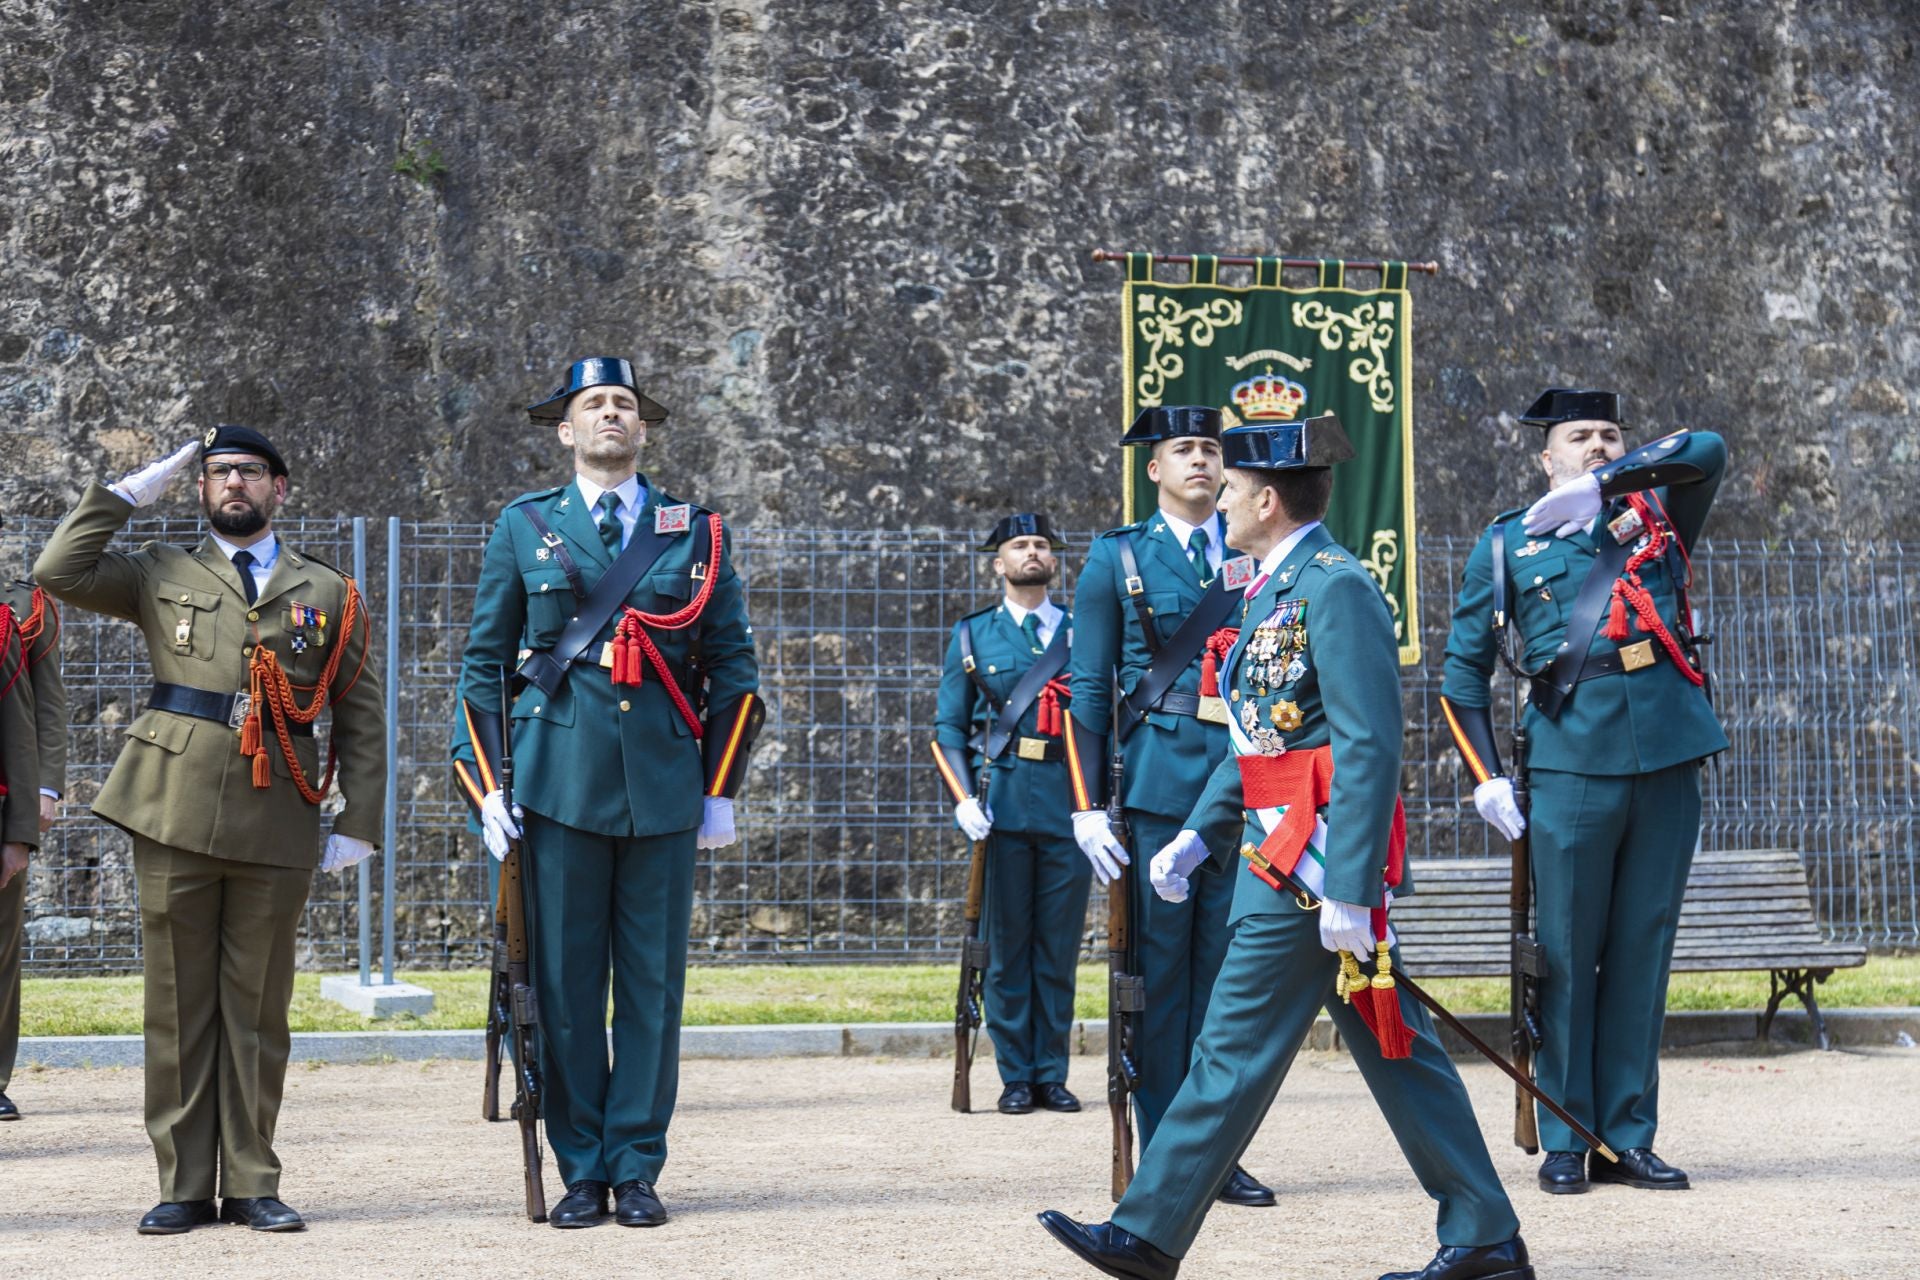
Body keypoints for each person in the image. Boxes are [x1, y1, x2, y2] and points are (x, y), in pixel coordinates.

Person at [1040, 414, 1532, 1280]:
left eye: (1230, 489)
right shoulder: (1270, 586)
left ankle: (1147, 1233)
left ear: (1267, 499)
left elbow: (1368, 743)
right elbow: (1265, 738)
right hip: (1283, 855)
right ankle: (1486, 1234)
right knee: (1395, 1046)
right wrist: (1197, 833)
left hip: (1314, 870)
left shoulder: (1335, 586)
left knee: (1231, 1044)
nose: (1219, 499)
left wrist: (1349, 888)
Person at [35, 425, 385, 1234]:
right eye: (221, 472)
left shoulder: (327, 591)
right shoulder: (161, 570)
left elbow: (360, 714)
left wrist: (357, 821)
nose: (235, 484)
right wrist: (125, 496)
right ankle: (185, 1185)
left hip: (279, 814)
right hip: (175, 804)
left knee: (259, 1009)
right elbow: (58, 571)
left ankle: (255, 1179)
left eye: (251, 473)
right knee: (178, 1004)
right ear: (199, 489)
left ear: (279, 489)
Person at [452, 356, 763, 1229]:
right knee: (564, 986)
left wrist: (720, 787)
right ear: (567, 430)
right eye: (595, 405)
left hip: (664, 789)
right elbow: (485, 668)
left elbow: (733, 666)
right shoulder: (525, 527)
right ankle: (580, 1165)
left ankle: (637, 1165)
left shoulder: (694, 531)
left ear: (643, 427)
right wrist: (487, 786)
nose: (612, 416)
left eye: (625, 404)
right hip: (556, 786)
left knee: (654, 990)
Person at [1439, 387, 1727, 1195]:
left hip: (1668, 753)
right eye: (1580, 437)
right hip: (1569, 763)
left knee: (1643, 949)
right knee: (1563, 952)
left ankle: (1626, 1134)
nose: (1598, 444)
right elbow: (1462, 674)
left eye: (1610, 434)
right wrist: (1486, 774)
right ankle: (1568, 1134)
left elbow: (1706, 446)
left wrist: (1606, 487)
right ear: (1545, 456)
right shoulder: (1507, 543)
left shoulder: (1659, 518)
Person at [1061, 405, 1273, 1206]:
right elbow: (1086, 688)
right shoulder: (1118, 559)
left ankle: (1220, 1152)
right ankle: (1165, 1152)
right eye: (1182, 449)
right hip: (1157, 787)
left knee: (1231, 983)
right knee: (1160, 984)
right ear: (1154, 468)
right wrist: (1086, 806)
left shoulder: (1258, 551)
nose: (1198, 461)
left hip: (1248, 784)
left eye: (1211, 450)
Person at [931, 513, 1089, 1114]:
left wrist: (1097, 804)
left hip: (1070, 804)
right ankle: (1015, 1074)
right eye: (1019, 545)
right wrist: (964, 797)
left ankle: (1052, 1071)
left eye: (1042, 544)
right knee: (1003, 947)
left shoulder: (1082, 632)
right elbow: (948, 726)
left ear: (1054, 561)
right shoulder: (973, 636)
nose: (1032, 552)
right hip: (1001, 802)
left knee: (1058, 947)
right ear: (998, 563)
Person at [0, 566, 64, 1122]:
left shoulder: (23, 606)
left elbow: (41, 704)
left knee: (1, 944)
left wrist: (39, 793)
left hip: (10, 786)